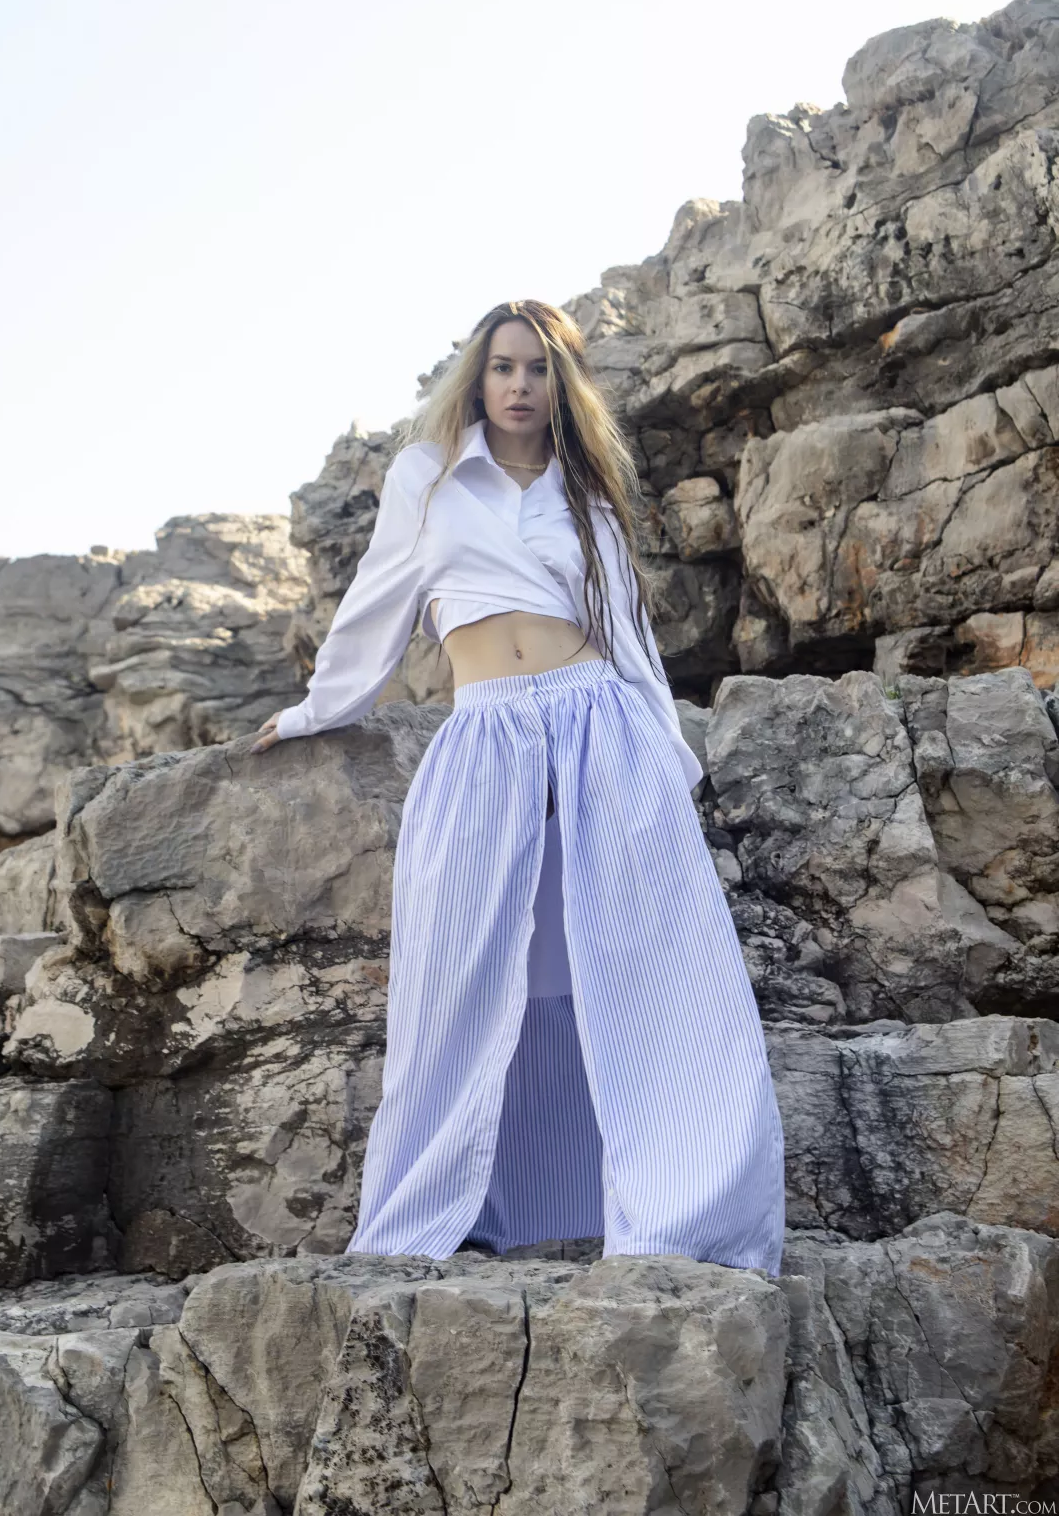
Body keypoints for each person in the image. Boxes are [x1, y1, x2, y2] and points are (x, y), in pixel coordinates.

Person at [251, 298, 785, 1273]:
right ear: (477, 376)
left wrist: (668, 762)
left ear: (561, 383)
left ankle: (679, 1210)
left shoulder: (586, 490)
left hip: (600, 726)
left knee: (639, 964)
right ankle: (467, 1207)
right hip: (487, 735)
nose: (520, 386)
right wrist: (315, 711)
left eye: (538, 369)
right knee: (460, 969)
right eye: (503, 367)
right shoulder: (426, 477)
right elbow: (376, 605)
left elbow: (628, 635)